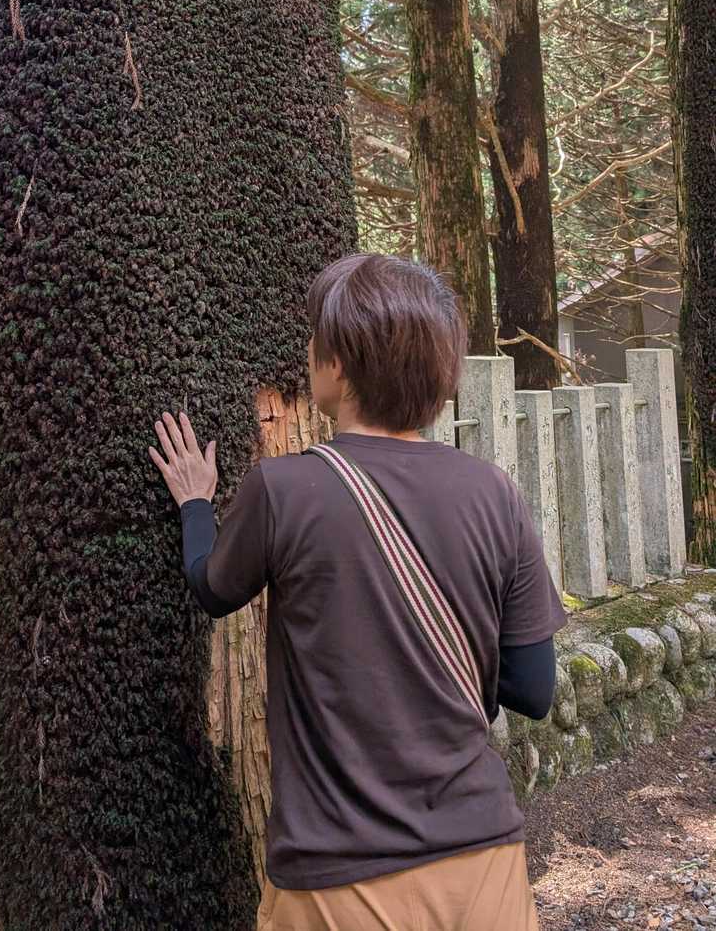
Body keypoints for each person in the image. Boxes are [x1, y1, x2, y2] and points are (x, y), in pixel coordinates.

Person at [148, 252, 566, 931]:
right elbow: (533, 689)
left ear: (337, 364)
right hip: (483, 863)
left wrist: (196, 503)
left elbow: (212, 590)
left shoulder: (284, 490)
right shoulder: (495, 493)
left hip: (339, 876)